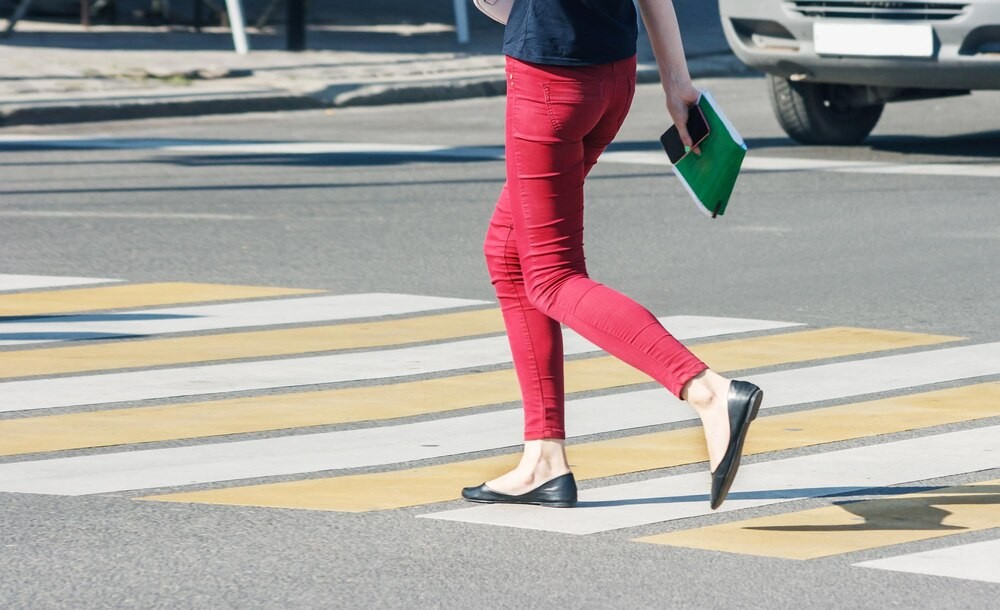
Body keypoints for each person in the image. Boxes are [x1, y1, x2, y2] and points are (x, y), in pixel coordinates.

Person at [461, 0, 763, 510]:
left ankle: (708, 391)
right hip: (612, 77)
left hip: (550, 78)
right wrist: (676, 82)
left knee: (551, 278)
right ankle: (543, 459)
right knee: (509, 253)